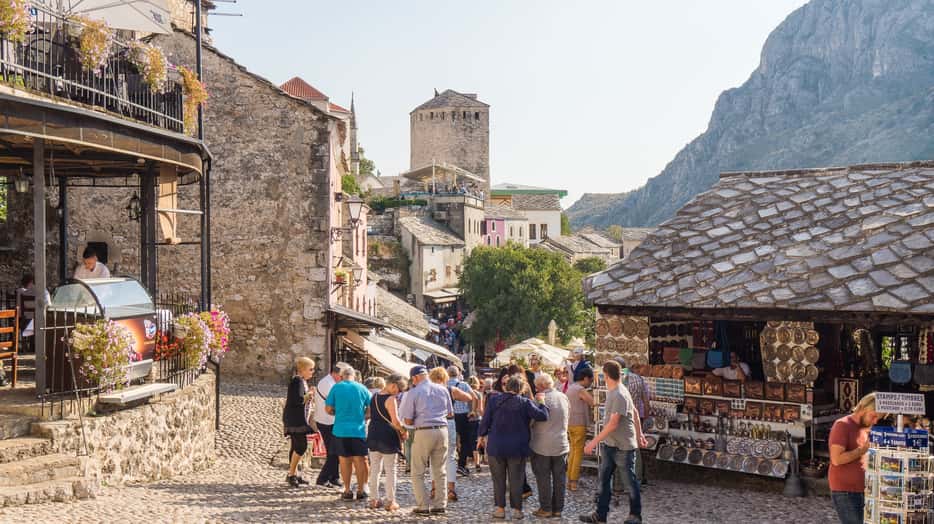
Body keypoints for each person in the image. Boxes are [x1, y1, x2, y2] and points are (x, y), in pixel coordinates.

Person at [580, 361, 647, 524]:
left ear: (606, 375)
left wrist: (593, 442)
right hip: (611, 444)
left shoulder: (618, 393)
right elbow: (634, 412)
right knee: (604, 482)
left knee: (630, 483)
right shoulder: (618, 391)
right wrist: (640, 434)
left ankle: (635, 516)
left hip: (623, 446)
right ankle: (600, 515)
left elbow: (613, 423)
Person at [478, 374, 549, 520]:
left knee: (498, 479)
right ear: (521, 389)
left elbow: (485, 421)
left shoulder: (494, 400)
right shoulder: (525, 402)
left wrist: (480, 437)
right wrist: (542, 402)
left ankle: (500, 509)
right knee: (516, 479)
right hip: (517, 447)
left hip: (497, 446)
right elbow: (543, 416)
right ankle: (517, 510)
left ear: (506, 386)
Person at [398, 365, 455, 516]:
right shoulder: (442, 389)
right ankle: (440, 505)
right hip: (442, 430)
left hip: (424, 431)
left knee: (417, 470)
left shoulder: (414, 392)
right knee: (440, 470)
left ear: (415, 378)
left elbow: (408, 420)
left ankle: (423, 506)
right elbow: (450, 413)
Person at [829, 392, 883, 524]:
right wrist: (863, 449)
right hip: (846, 491)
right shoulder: (842, 425)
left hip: (864, 489)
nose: (875, 421)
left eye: (878, 418)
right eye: (874, 416)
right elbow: (836, 459)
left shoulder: (865, 428)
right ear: (863, 408)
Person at [325, 366, 372, 502]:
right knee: (360, 460)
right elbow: (371, 408)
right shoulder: (363, 388)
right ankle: (361, 490)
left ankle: (347, 490)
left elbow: (328, 409)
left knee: (344, 460)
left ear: (341, 376)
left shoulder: (336, 387)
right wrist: (364, 416)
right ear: (354, 376)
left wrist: (337, 413)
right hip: (358, 430)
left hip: (340, 430)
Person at [366, 373, 408, 512]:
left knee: (375, 469)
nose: (398, 393)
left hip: (373, 433)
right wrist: (403, 430)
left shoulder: (374, 396)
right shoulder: (390, 399)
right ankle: (390, 501)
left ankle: (373, 499)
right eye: (399, 390)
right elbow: (395, 421)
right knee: (390, 469)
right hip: (387, 435)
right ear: (393, 385)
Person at [530, 373, 570, 518]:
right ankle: (558, 509)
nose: (535, 389)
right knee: (560, 478)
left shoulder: (539, 399)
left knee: (543, 478)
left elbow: (531, 421)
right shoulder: (563, 397)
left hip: (542, 445)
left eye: (536, 387)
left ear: (541, 386)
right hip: (561, 443)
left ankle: (546, 508)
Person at [433, 366, 474, 502]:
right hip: (449, 422)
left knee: (433, 458)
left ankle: (434, 488)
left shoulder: (427, 390)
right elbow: (469, 397)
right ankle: (450, 489)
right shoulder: (450, 390)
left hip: (432, 423)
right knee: (450, 457)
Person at [616, 356, 652, 485]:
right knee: (635, 448)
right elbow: (646, 402)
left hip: (620, 419)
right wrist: (645, 417)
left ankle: (620, 483)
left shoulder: (617, 381)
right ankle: (636, 480)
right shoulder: (638, 379)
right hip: (634, 418)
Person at [282, 357, 316, 488]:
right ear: (303, 370)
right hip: (296, 420)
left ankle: (294, 473)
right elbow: (298, 400)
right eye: (310, 369)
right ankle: (291, 474)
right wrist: (310, 394)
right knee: (301, 446)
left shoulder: (300, 381)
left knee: (295, 446)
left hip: (295, 418)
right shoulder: (298, 381)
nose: (312, 372)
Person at [313, 363, 347, 488]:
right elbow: (336, 401)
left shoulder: (330, 382)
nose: (342, 379)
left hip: (329, 420)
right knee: (334, 451)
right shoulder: (328, 383)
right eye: (342, 376)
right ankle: (322, 478)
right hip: (327, 421)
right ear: (336, 374)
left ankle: (334, 477)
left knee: (334, 451)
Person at [567, 367, 596, 491]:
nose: (591, 383)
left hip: (570, 423)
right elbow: (593, 402)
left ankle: (569, 479)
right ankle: (573, 481)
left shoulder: (571, 387)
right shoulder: (580, 389)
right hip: (579, 424)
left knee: (572, 452)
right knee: (578, 453)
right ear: (585, 378)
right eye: (591, 380)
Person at [448, 366, 478, 480]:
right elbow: (475, 397)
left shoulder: (444, 385)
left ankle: (448, 464)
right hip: (462, 415)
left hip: (449, 416)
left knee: (449, 440)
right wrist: (473, 411)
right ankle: (461, 465)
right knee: (464, 441)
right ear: (458, 373)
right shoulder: (463, 384)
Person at [468, 376, 485, 471]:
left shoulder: (465, 392)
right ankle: (477, 463)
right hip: (476, 419)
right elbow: (480, 409)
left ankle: (464, 463)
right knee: (476, 441)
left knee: (465, 441)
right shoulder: (478, 394)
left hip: (466, 419)